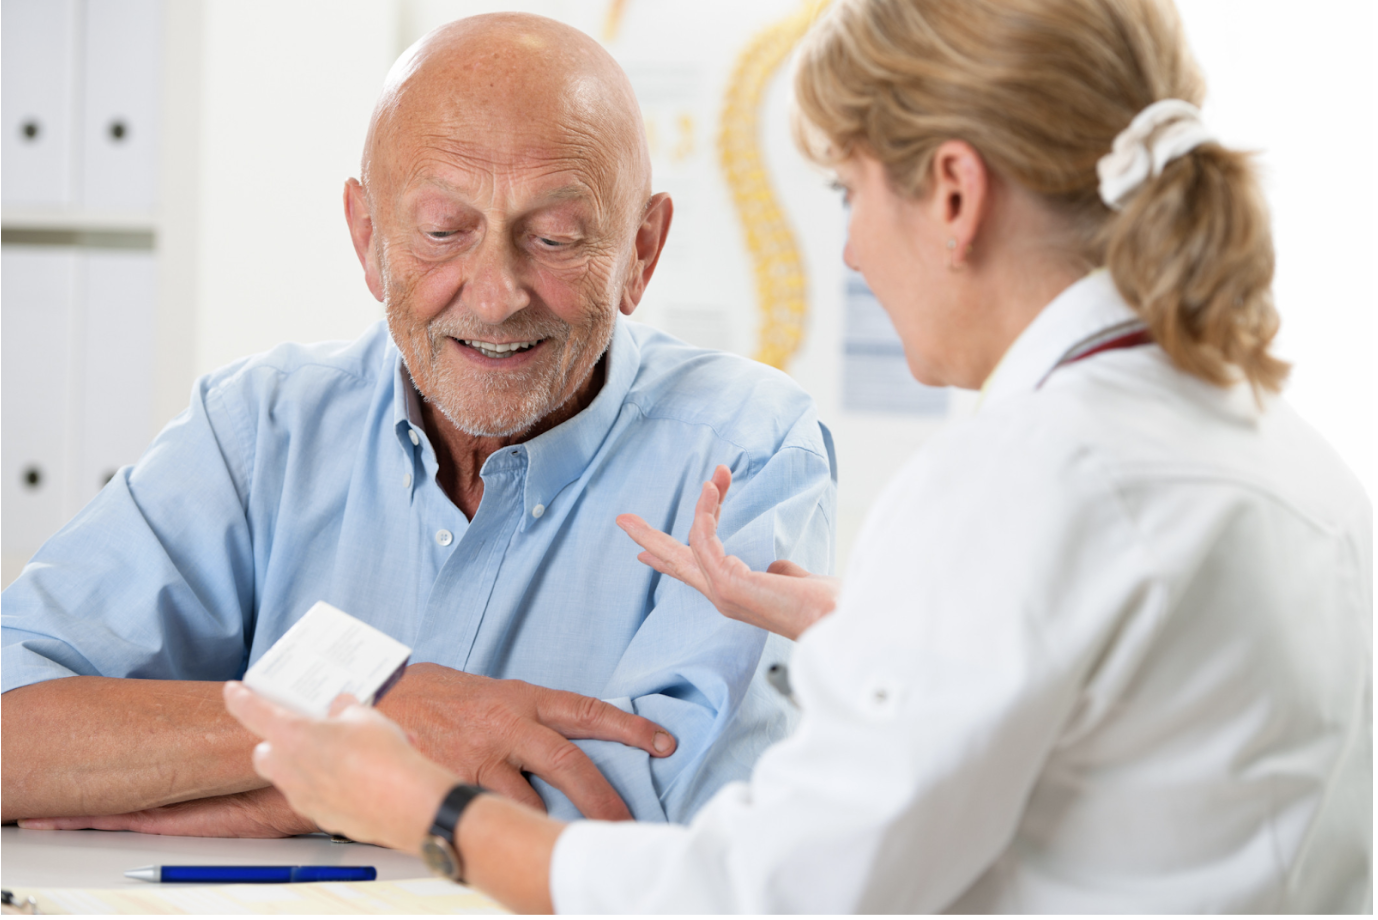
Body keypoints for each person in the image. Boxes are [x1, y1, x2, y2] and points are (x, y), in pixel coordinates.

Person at [221, 0, 1371, 911]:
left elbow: (769, 891)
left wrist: (423, 806)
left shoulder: (1023, 482)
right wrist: (873, 628)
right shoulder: (1274, 443)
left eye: (848, 191)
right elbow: (1146, 742)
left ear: (956, 192)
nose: (856, 250)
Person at [0, 14, 836, 835]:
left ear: (641, 253)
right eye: (444, 231)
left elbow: (660, 816)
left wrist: (269, 788)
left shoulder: (747, 451)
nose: (495, 293)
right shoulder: (258, 427)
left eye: (555, 237)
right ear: (369, 239)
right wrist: (375, 717)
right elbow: (15, 726)